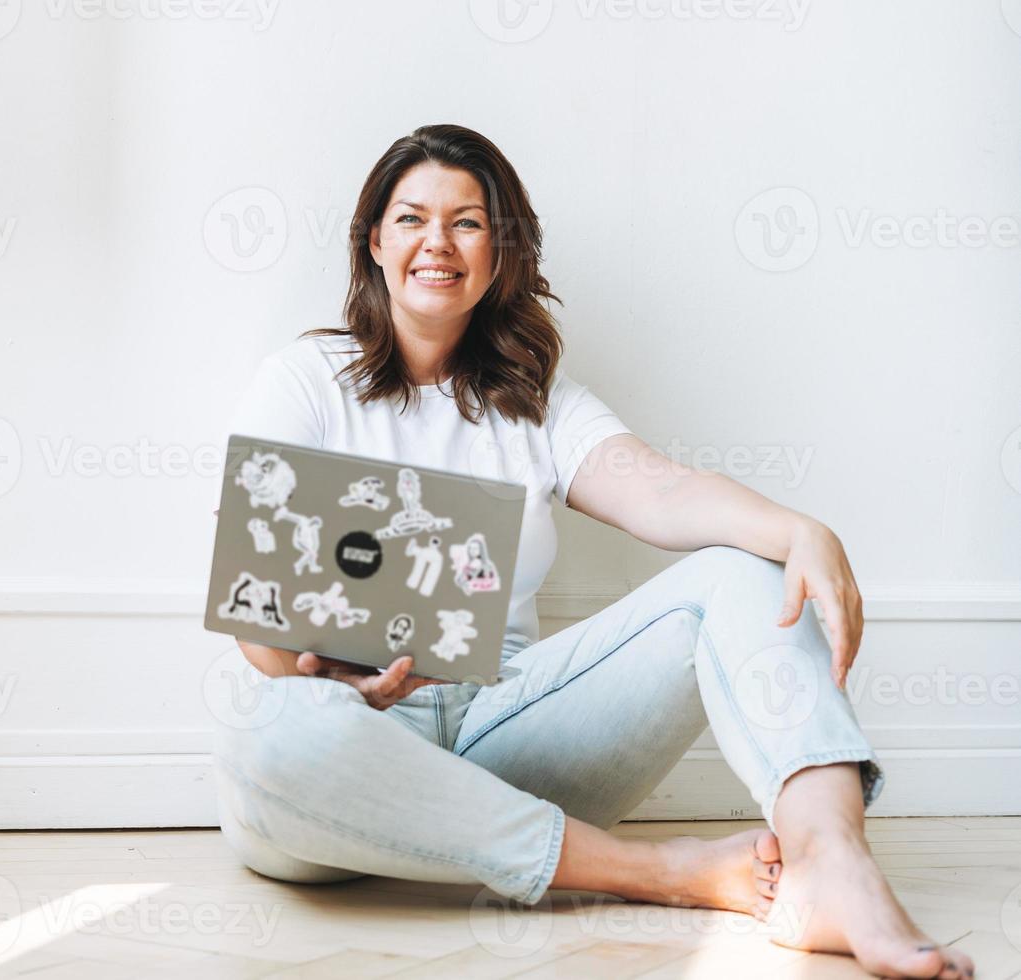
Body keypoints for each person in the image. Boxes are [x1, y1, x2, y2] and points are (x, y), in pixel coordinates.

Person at [211, 124, 971, 979]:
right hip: (338, 754)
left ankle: (832, 861)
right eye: (413, 218)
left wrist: (802, 531)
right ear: (374, 242)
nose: (438, 242)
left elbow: (662, 490)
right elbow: (258, 613)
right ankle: (662, 875)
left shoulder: (534, 402)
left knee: (742, 567)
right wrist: (317, 680)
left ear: (502, 251)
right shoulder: (306, 379)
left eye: (468, 222)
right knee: (271, 725)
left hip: (507, 728)